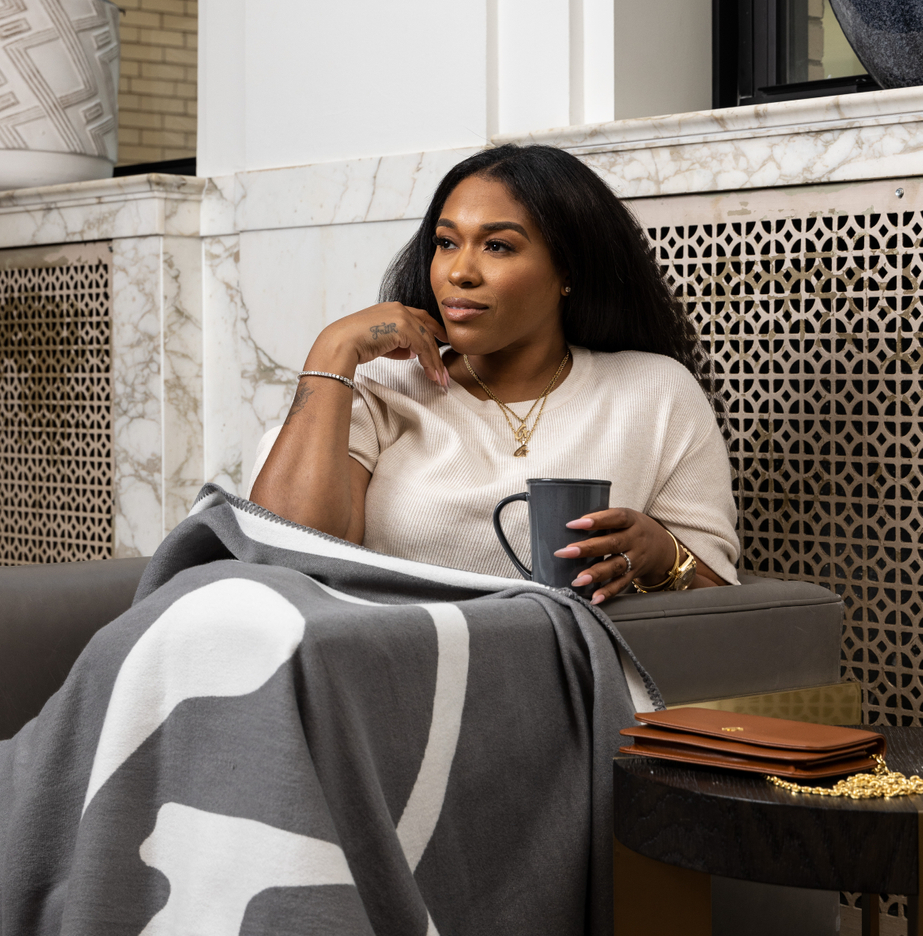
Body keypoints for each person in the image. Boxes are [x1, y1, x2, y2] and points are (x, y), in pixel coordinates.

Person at [250, 143, 738, 600]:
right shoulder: (379, 388)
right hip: (394, 651)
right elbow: (282, 559)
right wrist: (331, 352)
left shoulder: (656, 392)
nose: (458, 272)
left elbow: (723, 601)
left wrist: (661, 554)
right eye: (446, 242)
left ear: (568, 271)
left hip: (574, 659)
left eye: (497, 246)